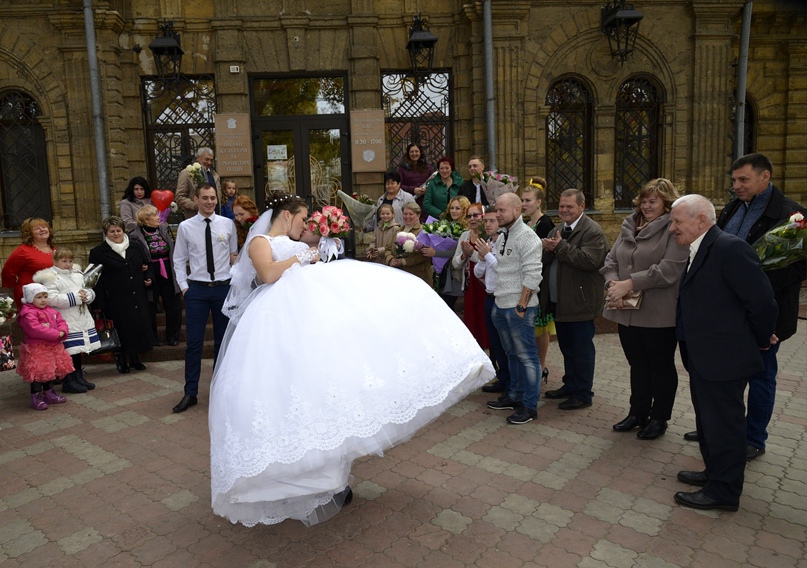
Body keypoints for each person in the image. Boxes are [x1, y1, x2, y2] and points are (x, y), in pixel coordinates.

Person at [208, 190, 494, 527]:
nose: (304, 226)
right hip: (277, 322)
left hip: (308, 322)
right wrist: (303, 257)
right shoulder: (260, 241)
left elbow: (312, 255)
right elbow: (269, 275)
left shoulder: (295, 241)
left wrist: (319, 244)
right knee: (285, 398)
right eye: (302, 219)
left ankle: (330, 478)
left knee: (327, 396)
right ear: (286, 214)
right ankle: (288, 477)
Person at [683, 154, 806, 461]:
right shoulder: (733, 207)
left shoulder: (793, 216)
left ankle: (753, 437)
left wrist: (754, 284)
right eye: (734, 180)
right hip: (727, 313)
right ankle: (722, 425)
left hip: (766, 311)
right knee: (725, 374)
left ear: (765, 178)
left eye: (743, 180)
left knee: (761, 376)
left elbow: (798, 266)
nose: (736, 185)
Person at [669, 194, 777, 512]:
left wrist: (759, 339)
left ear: (700, 220)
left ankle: (724, 491)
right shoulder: (699, 247)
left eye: (677, 221)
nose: (671, 227)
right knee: (708, 421)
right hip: (703, 354)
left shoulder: (730, 248)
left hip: (724, 356)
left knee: (725, 425)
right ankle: (714, 474)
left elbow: (762, 302)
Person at [601, 179, 688, 439]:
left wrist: (628, 283)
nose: (647, 205)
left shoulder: (674, 229)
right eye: (645, 200)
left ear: (666, 203)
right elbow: (611, 259)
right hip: (626, 309)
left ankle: (660, 417)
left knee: (660, 366)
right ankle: (637, 412)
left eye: (654, 201)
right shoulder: (629, 224)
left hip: (658, 311)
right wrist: (612, 284)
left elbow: (669, 269)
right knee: (637, 363)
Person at [172, 183, 237, 413]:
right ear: (196, 200)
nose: (210, 202)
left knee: (223, 343)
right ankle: (190, 393)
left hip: (222, 289)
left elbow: (233, 256)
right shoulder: (185, 227)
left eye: (213, 198)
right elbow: (178, 259)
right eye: (205, 198)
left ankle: (221, 391)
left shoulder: (227, 224)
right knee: (194, 344)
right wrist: (184, 287)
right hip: (197, 291)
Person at [541, 189, 608, 410]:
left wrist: (559, 247)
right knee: (567, 348)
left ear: (582, 206)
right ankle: (570, 385)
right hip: (561, 302)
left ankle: (583, 393)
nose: (564, 210)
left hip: (580, 302)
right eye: (561, 206)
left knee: (581, 350)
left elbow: (590, 260)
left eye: (569, 206)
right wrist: (549, 249)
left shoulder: (592, 231)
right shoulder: (558, 228)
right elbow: (547, 258)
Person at [485, 192, 543, 425]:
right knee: (512, 355)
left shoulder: (528, 238)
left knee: (528, 358)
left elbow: (533, 274)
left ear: (516, 210)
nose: (497, 214)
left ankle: (529, 406)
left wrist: (521, 306)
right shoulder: (503, 236)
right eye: (496, 210)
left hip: (519, 309)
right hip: (501, 305)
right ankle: (515, 396)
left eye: (501, 210)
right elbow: (502, 267)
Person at [89, 216, 155, 374]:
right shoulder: (98, 252)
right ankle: (121, 360)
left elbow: (147, 264)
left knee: (137, 327)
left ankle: (135, 358)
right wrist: (98, 304)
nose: (116, 234)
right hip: (116, 298)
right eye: (112, 231)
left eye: (118, 230)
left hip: (137, 295)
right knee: (121, 329)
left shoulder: (135, 245)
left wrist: (149, 278)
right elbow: (95, 279)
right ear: (106, 233)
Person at [33, 249, 100, 394]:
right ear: (55, 262)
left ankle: (78, 377)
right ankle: (68, 380)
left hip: (81, 317)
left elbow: (88, 289)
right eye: (64, 261)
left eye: (70, 261)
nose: (68, 264)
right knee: (68, 351)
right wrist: (76, 297)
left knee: (78, 350)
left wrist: (87, 295)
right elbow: (51, 298)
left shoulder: (77, 275)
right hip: (65, 317)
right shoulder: (50, 277)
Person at [129, 205, 182, 347]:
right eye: (155, 215)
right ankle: (153, 338)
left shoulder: (164, 229)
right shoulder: (135, 235)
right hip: (150, 271)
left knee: (173, 305)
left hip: (168, 269)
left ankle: (172, 336)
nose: (159, 217)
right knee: (150, 306)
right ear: (146, 219)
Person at [16, 283, 72, 410]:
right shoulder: (28, 313)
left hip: (52, 347)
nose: (43, 300)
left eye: (45, 296)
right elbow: (35, 329)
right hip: (37, 348)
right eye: (39, 297)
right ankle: (36, 396)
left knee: (50, 371)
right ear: (30, 299)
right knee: (37, 372)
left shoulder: (51, 311)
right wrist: (56, 334)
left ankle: (49, 392)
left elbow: (61, 322)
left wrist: (63, 331)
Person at [473, 206, 511, 395]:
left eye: (492, 221)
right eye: (485, 221)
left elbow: (503, 269)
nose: (487, 224)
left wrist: (487, 255)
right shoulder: (488, 242)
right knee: (495, 342)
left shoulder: (505, 242)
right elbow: (478, 272)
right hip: (489, 297)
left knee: (506, 343)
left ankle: (510, 382)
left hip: (502, 298)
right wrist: (481, 258)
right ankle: (502, 378)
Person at [522, 178, 556, 381]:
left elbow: (544, 253)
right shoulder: (527, 223)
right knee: (532, 326)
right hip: (527, 278)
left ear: (538, 202)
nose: (524, 204)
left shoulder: (545, 223)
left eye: (528, 200)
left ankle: (542, 366)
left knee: (541, 325)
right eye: (522, 200)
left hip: (539, 279)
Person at [422, 196, 469, 311]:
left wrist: (436, 253)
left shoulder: (467, 228)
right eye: (451, 208)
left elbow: (457, 252)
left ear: (464, 210)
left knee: (448, 305)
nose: (453, 211)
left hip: (456, 273)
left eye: (457, 208)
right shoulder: (445, 225)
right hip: (443, 271)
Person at [454, 202, 489, 349]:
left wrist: (472, 253)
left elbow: (489, 262)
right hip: (469, 285)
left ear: (483, 216)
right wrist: (463, 255)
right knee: (472, 322)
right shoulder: (464, 235)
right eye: (469, 216)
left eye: (476, 215)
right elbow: (455, 264)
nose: (472, 219)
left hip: (485, 285)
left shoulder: (488, 235)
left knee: (486, 323)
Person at [2, 218, 57, 309]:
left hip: (52, 296)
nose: (42, 230)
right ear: (29, 233)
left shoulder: (55, 249)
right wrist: (17, 292)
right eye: (37, 228)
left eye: (44, 227)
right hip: (31, 299)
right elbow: (8, 273)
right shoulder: (23, 251)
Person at [384, 202, 433, 286]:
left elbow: (425, 254)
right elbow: (388, 248)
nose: (407, 217)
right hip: (399, 274)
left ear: (418, 215)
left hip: (418, 275)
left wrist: (403, 261)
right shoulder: (397, 230)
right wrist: (391, 259)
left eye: (411, 214)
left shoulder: (423, 231)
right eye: (405, 214)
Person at [176, 147, 221, 218]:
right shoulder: (186, 174)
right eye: (206, 159)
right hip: (195, 218)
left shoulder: (215, 175)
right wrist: (196, 206)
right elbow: (180, 197)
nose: (209, 163)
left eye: (211, 160)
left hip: (214, 218)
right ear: (198, 157)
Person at [396, 143, 433, 218]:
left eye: (416, 151)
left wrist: (427, 189)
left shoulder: (428, 167)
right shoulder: (402, 169)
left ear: (420, 153)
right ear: (408, 153)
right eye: (412, 152)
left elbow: (433, 181)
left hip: (426, 201)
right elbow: (399, 185)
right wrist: (413, 189)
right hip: (409, 201)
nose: (414, 154)